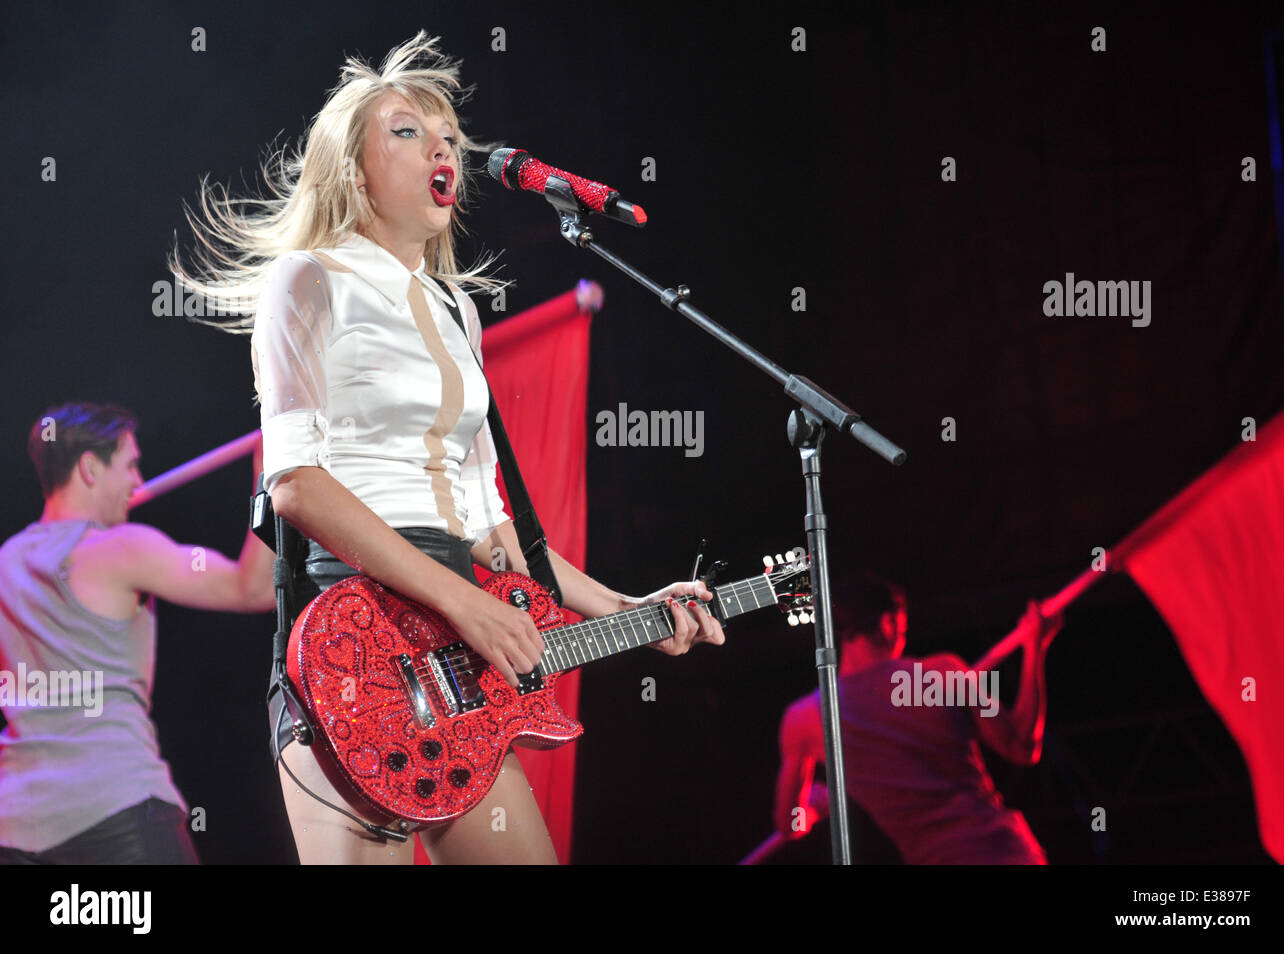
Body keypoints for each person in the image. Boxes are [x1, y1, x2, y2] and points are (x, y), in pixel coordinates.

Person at [173, 32, 725, 864]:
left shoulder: (455, 308)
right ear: (354, 172)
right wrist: (465, 602)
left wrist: (628, 611)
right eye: (407, 130)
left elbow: (496, 531)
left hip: (454, 649)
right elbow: (294, 485)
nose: (442, 147)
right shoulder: (310, 279)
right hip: (350, 636)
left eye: (447, 138)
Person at [0, 402, 275, 864]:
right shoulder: (120, 548)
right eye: (129, 465)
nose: (137, 482)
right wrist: (269, 477)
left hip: (15, 822)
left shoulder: (7, 562)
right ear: (89, 468)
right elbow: (254, 587)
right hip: (116, 804)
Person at [764, 571, 1060, 864]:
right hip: (1004, 851)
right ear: (889, 622)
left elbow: (790, 824)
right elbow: (1023, 746)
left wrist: (814, 808)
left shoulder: (804, 719)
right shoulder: (942, 674)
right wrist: (1036, 647)